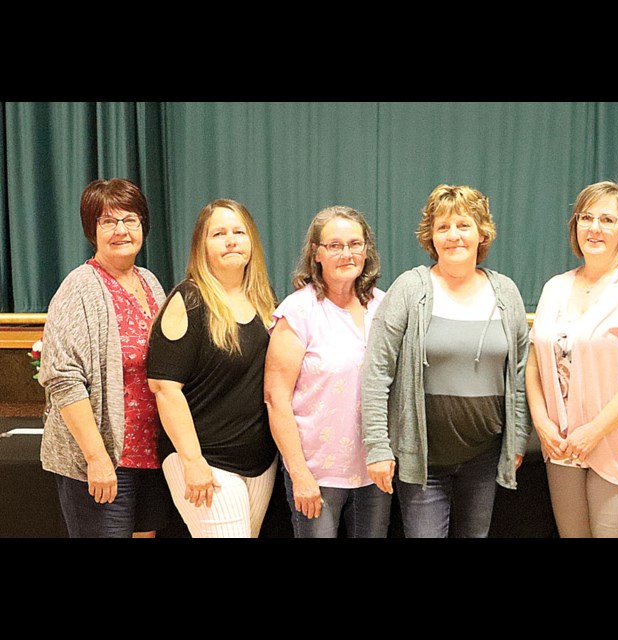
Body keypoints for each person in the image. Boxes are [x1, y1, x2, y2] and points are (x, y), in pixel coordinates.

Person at [362, 184, 531, 538]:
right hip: (424, 460)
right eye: (443, 227)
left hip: (484, 457)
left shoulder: (506, 293)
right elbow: (377, 372)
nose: (454, 235)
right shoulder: (411, 289)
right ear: (431, 237)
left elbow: (519, 374)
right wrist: (378, 446)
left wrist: (517, 438)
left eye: (464, 225)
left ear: (481, 232)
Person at [526, 181, 618, 537]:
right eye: (586, 217)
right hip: (561, 447)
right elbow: (534, 362)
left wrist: (594, 431)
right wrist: (541, 422)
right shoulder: (554, 287)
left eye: (607, 220)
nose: (594, 228)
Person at [38, 178, 169, 538]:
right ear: (91, 230)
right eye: (107, 222)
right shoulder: (78, 288)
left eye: (130, 219)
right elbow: (63, 379)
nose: (121, 230)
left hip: (151, 457)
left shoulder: (150, 283)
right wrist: (97, 459)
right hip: (102, 462)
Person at [147, 198, 278, 538]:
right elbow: (164, 387)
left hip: (259, 463)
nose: (231, 240)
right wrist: (192, 461)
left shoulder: (265, 301)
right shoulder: (188, 300)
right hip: (206, 461)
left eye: (239, 232)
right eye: (219, 233)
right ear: (201, 247)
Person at [264, 205, 392, 537]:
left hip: (374, 471)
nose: (346, 253)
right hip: (316, 473)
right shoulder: (298, 312)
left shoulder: (384, 306)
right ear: (316, 253)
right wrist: (300, 475)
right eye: (334, 245)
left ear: (366, 250)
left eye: (355, 243)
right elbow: (276, 399)